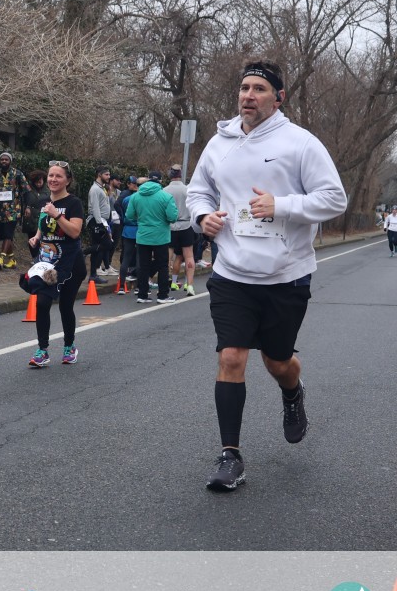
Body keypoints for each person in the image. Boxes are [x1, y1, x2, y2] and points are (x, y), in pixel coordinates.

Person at [187, 59, 347, 492]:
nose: (248, 96)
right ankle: (230, 456)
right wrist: (202, 217)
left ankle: (292, 393)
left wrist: (283, 205)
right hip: (231, 272)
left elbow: (335, 199)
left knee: (277, 361)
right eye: (244, 88)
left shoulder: (300, 143)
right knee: (231, 356)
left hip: (285, 275)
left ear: (278, 98)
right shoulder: (219, 143)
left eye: (259, 89)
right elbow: (199, 190)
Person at [24, 161, 87, 367]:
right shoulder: (45, 201)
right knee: (42, 302)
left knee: (65, 306)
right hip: (48, 262)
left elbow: (75, 232)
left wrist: (57, 215)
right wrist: (36, 237)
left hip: (71, 262)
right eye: (51, 175)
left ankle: (69, 346)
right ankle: (42, 350)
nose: (53, 179)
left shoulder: (74, 203)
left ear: (68, 180)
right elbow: (43, 225)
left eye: (58, 176)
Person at [125, 170, 177, 304]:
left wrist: (141, 218)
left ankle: (142, 294)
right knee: (162, 266)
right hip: (161, 236)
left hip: (143, 235)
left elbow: (129, 215)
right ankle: (162, 295)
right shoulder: (166, 197)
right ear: (160, 181)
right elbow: (172, 217)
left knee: (143, 266)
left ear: (148, 179)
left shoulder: (136, 196)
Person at [0, 151, 31, 270]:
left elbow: (27, 190)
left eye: (6, 159)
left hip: (14, 210)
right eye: (2, 159)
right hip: (0, 210)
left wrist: (28, 206)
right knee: (4, 235)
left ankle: (1, 258)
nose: (4, 161)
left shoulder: (18, 174)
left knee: (8, 233)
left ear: (10, 161)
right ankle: (12, 260)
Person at [164, 164, 196, 295]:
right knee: (189, 256)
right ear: (181, 174)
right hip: (186, 225)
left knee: (167, 257)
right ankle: (190, 285)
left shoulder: (164, 191)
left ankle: (165, 283)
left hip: (170, 226)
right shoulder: (188, 190)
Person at [86, 166, 112, 284]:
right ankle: (83, 252)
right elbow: (95, 207)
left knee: (97, 249)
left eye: (109, 174)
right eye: (106, 174)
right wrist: (99, 223)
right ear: (99, 174)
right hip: (97, 221)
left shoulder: (102, 188)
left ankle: (93, 275)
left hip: (102, 221)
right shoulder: (95, 189)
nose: (108, 177)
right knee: (106, 244)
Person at [116, 176, 140, 294]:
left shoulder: (126, 199)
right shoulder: (142, 199)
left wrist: (122, 218)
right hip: (140, 230)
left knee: (126, 258)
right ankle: (138, 287)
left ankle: (121, 286)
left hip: (127, 229)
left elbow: (119, 206)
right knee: (140, 258)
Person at [22, 169, 50, 243]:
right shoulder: (28, 190)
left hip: (43, 217)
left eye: (40, 182)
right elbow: (24, 200)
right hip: (31, 218)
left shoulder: (48, 190)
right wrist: (27, 207)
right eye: (36, 182)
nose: (38, 184)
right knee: (32, 239)